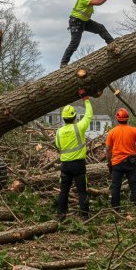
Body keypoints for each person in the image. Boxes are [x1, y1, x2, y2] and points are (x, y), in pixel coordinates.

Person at [105, 108, 136, 211]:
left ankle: (116, 209)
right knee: (134, 187)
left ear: (117, 119)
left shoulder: (112, 132)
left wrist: (109, 163)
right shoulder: (134, 130)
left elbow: (108, 150)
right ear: (127, 119)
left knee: (116, 187)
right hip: (130, 163)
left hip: (117, 164)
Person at [55, 89, 93, 220]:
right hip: (78, 165)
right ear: (75, 116)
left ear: (64, 118)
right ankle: (84, 215)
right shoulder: (79, 127)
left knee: (63, 191)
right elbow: (88, 115)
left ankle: (61, 215)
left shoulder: (59, 132)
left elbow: (58, 146)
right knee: (82, 191)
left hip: (65, 165)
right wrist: (86, 99)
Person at [60, 0, 115, 67]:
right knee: (75, 43)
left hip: (84, 21)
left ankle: (112, 43)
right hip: (76, 22)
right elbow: (98, 2)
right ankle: (63, 63)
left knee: (100, 28)